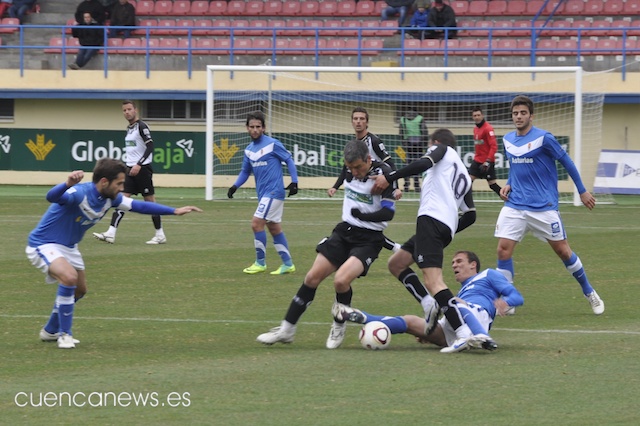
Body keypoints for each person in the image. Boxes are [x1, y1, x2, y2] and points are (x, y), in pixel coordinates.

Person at [26, 158, 202, 349]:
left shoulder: (111, 199)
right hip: (44, 243)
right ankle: (65, 335)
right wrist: (67, 183)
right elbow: (52, 197)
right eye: (118, 183)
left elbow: (139, 206)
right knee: (69, 277)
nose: (121, 187)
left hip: (69, 247)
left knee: (80, 289)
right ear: (104, 182)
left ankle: (50, 330)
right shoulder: (79, 193)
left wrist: (174, 211)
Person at [256, 139, 398, 349]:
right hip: (344, 232)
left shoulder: (384, 175)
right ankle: (287, 330)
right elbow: (345, 176)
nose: (354, 172)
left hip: (369, 239)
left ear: (369, 159)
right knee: (312, 277)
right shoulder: (349, 168)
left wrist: (363, 214)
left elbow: (388, 213)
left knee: (341, 281)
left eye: (358, 167)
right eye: (350, 167)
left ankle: (339, 325)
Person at [371, 128, 495, 353]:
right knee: (396, 263)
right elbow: (471, 215)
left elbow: (423, 164)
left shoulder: (442, 150)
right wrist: (448, 229)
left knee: (434, 282)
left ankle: (462, 333)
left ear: (435, 142)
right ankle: (428, 304)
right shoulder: (462, 173)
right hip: (443, 226)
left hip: (431, 219)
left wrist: (389, 177)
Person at [495, 95, 604, 315]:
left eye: (523, 113)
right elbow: (517, 167)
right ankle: (509, 299)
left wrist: (582, 190)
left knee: (564, 252)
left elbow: (567, 162)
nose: (518, 116)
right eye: (515, 113)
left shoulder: (544, 138)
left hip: (543, 206)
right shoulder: (507, 140)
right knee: (503, 250)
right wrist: (508, 183)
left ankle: (589, 292)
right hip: (515, 206)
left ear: (531, 116)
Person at [334, 250, 524, 351]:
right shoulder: (464, 288)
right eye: (452, 263)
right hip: (454, 321)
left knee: (452, 301)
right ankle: (362, 317)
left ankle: (483, 337)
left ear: (473, 265)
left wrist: (504, 303)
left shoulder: (487, 275)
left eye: (459, 261)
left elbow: (517, 296)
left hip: (476, 315)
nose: (454, 265)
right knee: (411, 321)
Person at [227, 111, 299, 275]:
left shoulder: (273, 144)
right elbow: (245, 172)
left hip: (274, 192)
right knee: (274, 228)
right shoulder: (249, 150)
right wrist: (234, 186)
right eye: (252, 127)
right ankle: (288, 264)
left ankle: (260, 263)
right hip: (264, 194)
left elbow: (288, 159)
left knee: (256, 223)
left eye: (258, 127)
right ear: (247, 128)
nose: (255, 130)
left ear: (264, 128)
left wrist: (294, 181)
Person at [327, 106, 402, 253]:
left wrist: (396, 186)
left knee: (368, 225)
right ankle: (397, 248)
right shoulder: (355, 144)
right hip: (364, 186)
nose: (358, 122)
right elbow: (345, 168)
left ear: (367, 122)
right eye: (355, 119)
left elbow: (390, 163)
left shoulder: (373, 141)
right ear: (351, 122)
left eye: (362, 119)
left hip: (378, 186)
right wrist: (335, 186)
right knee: (363, 226)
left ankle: (396, 249)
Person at [93, 100, 165, 244]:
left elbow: (150, 146)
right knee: (121, 200)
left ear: (135, 110)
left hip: (142, 169)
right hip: (130, 170)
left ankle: (160, 235)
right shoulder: (129, 128)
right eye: (124, 110)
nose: (127, 112)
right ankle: (111, 233)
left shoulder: (141, 126)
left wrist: (139, 164)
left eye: (129, 109)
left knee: (150, 202)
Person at [469, 106, 502, 197]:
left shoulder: (488, 128)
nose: (477, 117)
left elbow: (494, 146)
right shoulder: (475, 129)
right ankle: (468, 205)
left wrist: (488, 161)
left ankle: (510, 199)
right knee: (467, 182)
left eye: (478, 115)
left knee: (492, 185)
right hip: (477, 160)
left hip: (487, 162)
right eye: (475, 115)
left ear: (482, 115)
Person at [399, 107, 428, 192]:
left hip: (408, 144)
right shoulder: (420, 118)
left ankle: (406, 186)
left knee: (407, 166)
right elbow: (424, 131)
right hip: (419, 145)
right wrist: (424, 145)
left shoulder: (403, 119)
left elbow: (401, 132)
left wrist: (403, 144)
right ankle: (417, 186)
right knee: (418, 166)